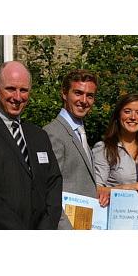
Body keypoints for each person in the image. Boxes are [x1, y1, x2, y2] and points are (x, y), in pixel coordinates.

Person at [0, 61, 62, 229]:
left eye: (23, 90)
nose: (17, 97)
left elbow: (54, 182)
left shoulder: (39, 136)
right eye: (11, 89)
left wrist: (47, 226)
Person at [44, 69, 99, 229]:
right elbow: (49, 190)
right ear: (64, 94)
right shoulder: (53, 133)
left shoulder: (80, 132)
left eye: (90, 95)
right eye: (78, 93)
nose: (84, 100)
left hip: (85, 223)